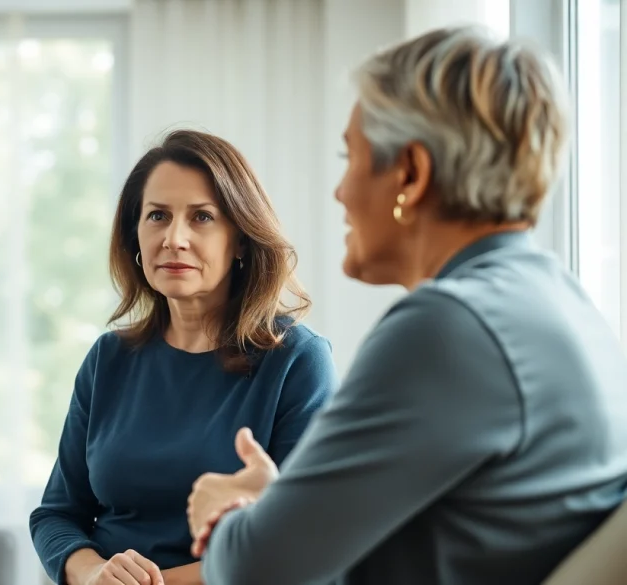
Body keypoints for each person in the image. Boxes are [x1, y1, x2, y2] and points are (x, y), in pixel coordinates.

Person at [187, 25, 627, 585]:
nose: (340, 192)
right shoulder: (560, 301)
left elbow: (257, 571)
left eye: (352, 157)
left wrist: (225, 518)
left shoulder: (448, 328)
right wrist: (280, 506)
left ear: (411, 175)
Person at [29, 129, 338, 585]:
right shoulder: (107, 358)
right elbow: (56, 515)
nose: (174, 238)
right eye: (157, 215)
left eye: (202, 217)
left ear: (241, 240)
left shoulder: (297, 360)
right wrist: (93, 573)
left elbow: (305, 539)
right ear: (135, 234)